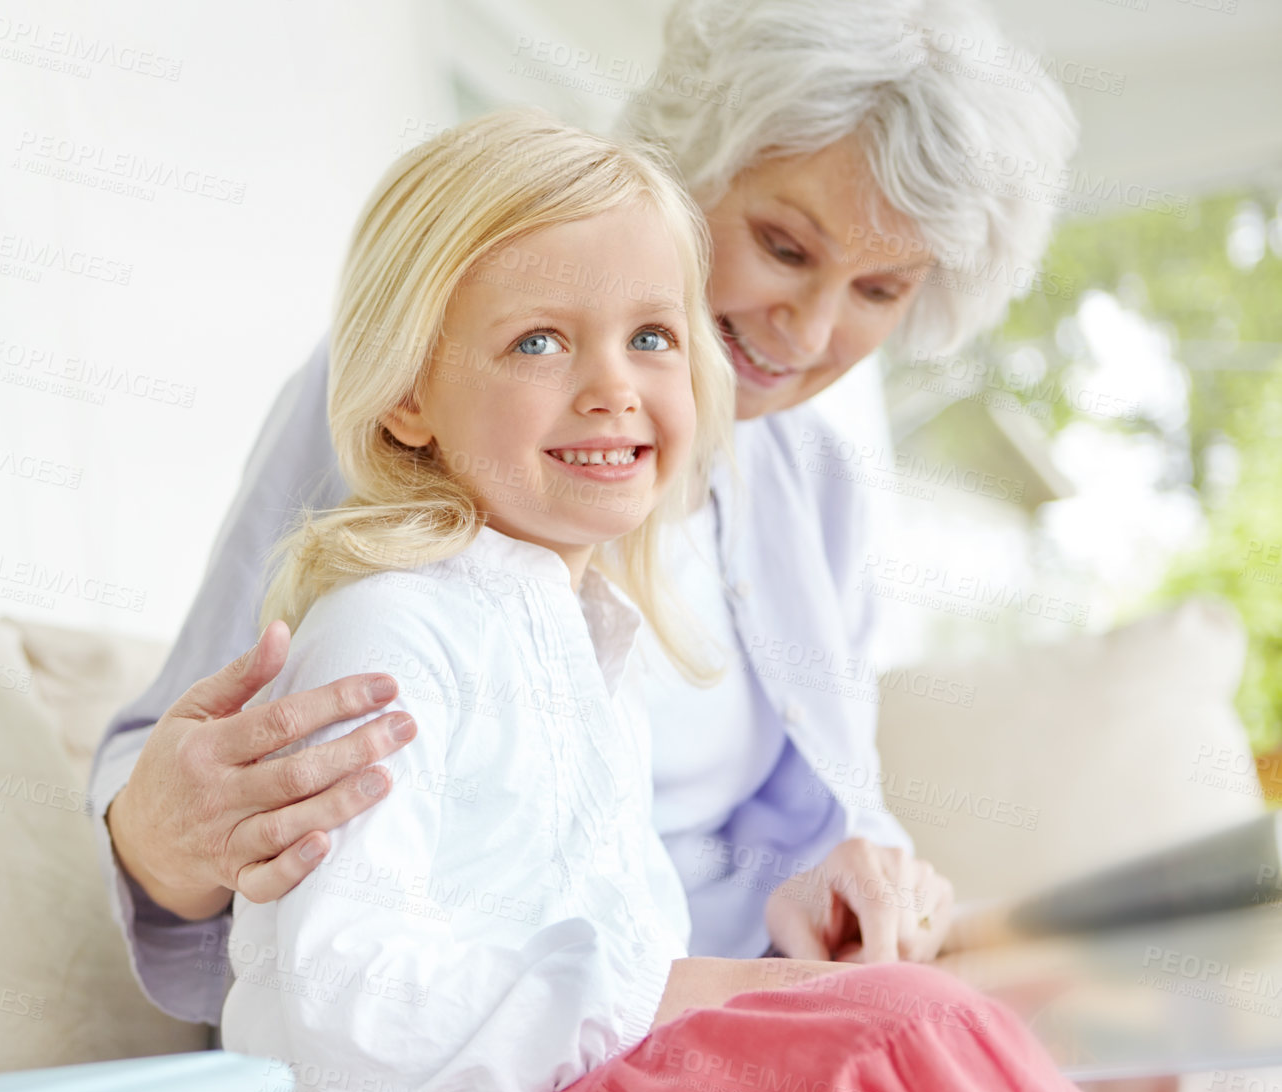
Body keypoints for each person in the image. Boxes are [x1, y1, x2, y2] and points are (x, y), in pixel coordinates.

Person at [88, 0, 1079, 1022]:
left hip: (737, 988)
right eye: (783, 247)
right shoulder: (415, 396)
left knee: (1144, 1025)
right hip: (516, 1041)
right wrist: (163, 837)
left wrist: (863, 876)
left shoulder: (811, 477)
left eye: (880, 288)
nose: (812, 327)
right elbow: (212, 800)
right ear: (685, 176)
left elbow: (825, 813)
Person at [219, 106, 1123, 1092]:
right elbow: (349, 1006)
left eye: (650, 336)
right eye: (539, 340)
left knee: (937, 1029)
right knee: (903, 1032)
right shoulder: (387, 632)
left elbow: (622, 939)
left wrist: (762, 962)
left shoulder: (593, 635)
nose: (614, 387)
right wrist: (704, 991)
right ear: (410, 395)